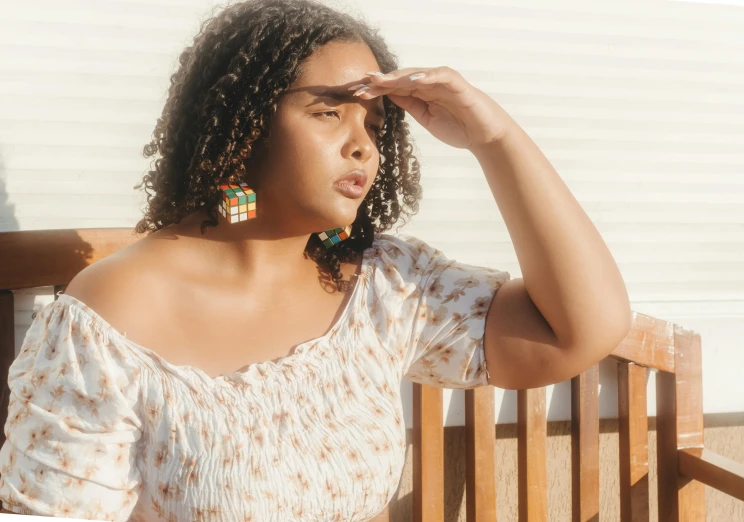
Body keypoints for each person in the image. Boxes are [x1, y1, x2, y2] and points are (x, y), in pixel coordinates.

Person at [0, 0, 633, 520]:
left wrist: (495, 139)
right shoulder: (107, 321)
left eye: (376, 126)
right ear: (242, 124)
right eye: (328, 111)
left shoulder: (383, 285)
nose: (362, 146)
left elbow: (580, 330)